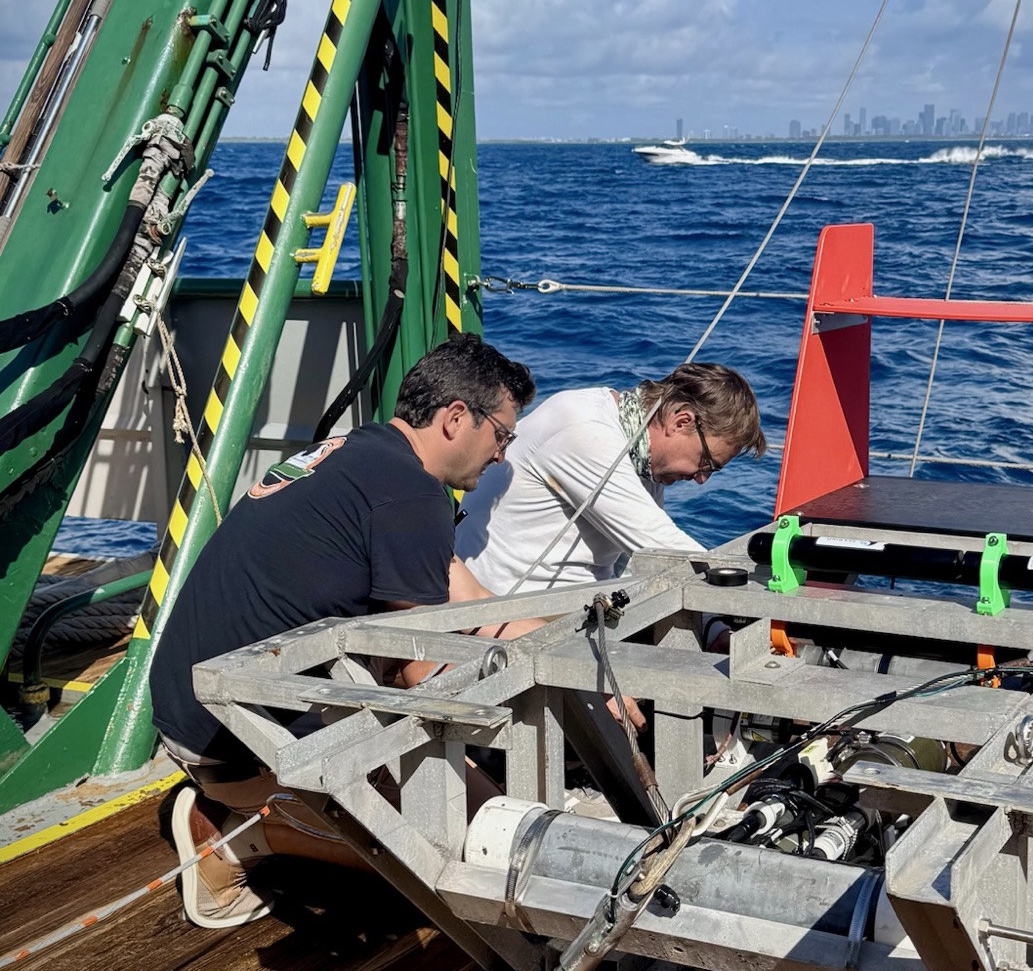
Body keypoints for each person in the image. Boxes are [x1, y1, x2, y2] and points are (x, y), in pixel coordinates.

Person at [151, 333, 535, 928]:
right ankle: (235, 834)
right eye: (503, 435)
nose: (502, 457)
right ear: (457, 417)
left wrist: (577, 649)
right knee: (484, 847)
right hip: (235, 743)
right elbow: (425, 674)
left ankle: (248, 811)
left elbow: (468, 597)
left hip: (188, 706)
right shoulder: (412, 495)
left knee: (485, 802)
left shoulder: (363, 453)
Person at [454, 361, 765, 607]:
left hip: (571, 607)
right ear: (681, 422)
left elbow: (643, 566)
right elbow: (662, 548)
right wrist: (760, 594)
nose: (701, 479)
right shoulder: (583, 430)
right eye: (706, 462)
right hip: (503, 611)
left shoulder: (642, 460)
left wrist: (713, 627)